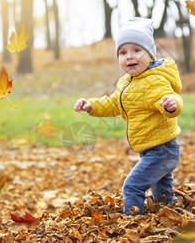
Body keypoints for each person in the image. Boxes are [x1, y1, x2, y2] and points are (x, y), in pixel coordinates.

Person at [73, 17, 183, 215]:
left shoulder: (153, 81)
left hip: (162, 149)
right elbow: (114, 102)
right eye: (123, 52)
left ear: (150, 55)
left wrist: (171, 105)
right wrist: (91, 105)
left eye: (136, 50)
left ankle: (132, 226)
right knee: (162, 193)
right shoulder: (127, 82)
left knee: (132, 187)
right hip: (153, 148)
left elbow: (171, 97)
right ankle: (170, 217)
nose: (129, 56)